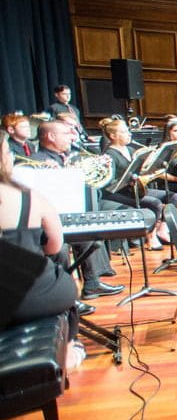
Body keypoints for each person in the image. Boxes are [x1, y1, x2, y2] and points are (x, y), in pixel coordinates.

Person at [0, 131, 83, 366]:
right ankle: (67, 348)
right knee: (65, 277)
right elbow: (53, 245)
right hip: (38, 297)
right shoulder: (28, 197)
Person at [26, 121, 124, 304]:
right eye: (65, 133)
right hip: (47, 223)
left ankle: (92, 283)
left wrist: (99, 164)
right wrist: (55, 175)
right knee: (61, 249)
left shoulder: (71, 156)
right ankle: (65, 295)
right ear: (51, 136)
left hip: (69, 217)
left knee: (89, 236)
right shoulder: (37, 161)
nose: (71, 137)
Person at [101, 119, 177, 250]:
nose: (129, 134)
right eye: (124, 131)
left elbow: (141, 170)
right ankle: (151, 237)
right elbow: (109, 181)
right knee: (155, 203)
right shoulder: (109, 154)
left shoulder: (131, 150)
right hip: (117, 193)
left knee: (173, 197)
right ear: (113, 136)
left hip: (134, 189)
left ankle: (162, 230)